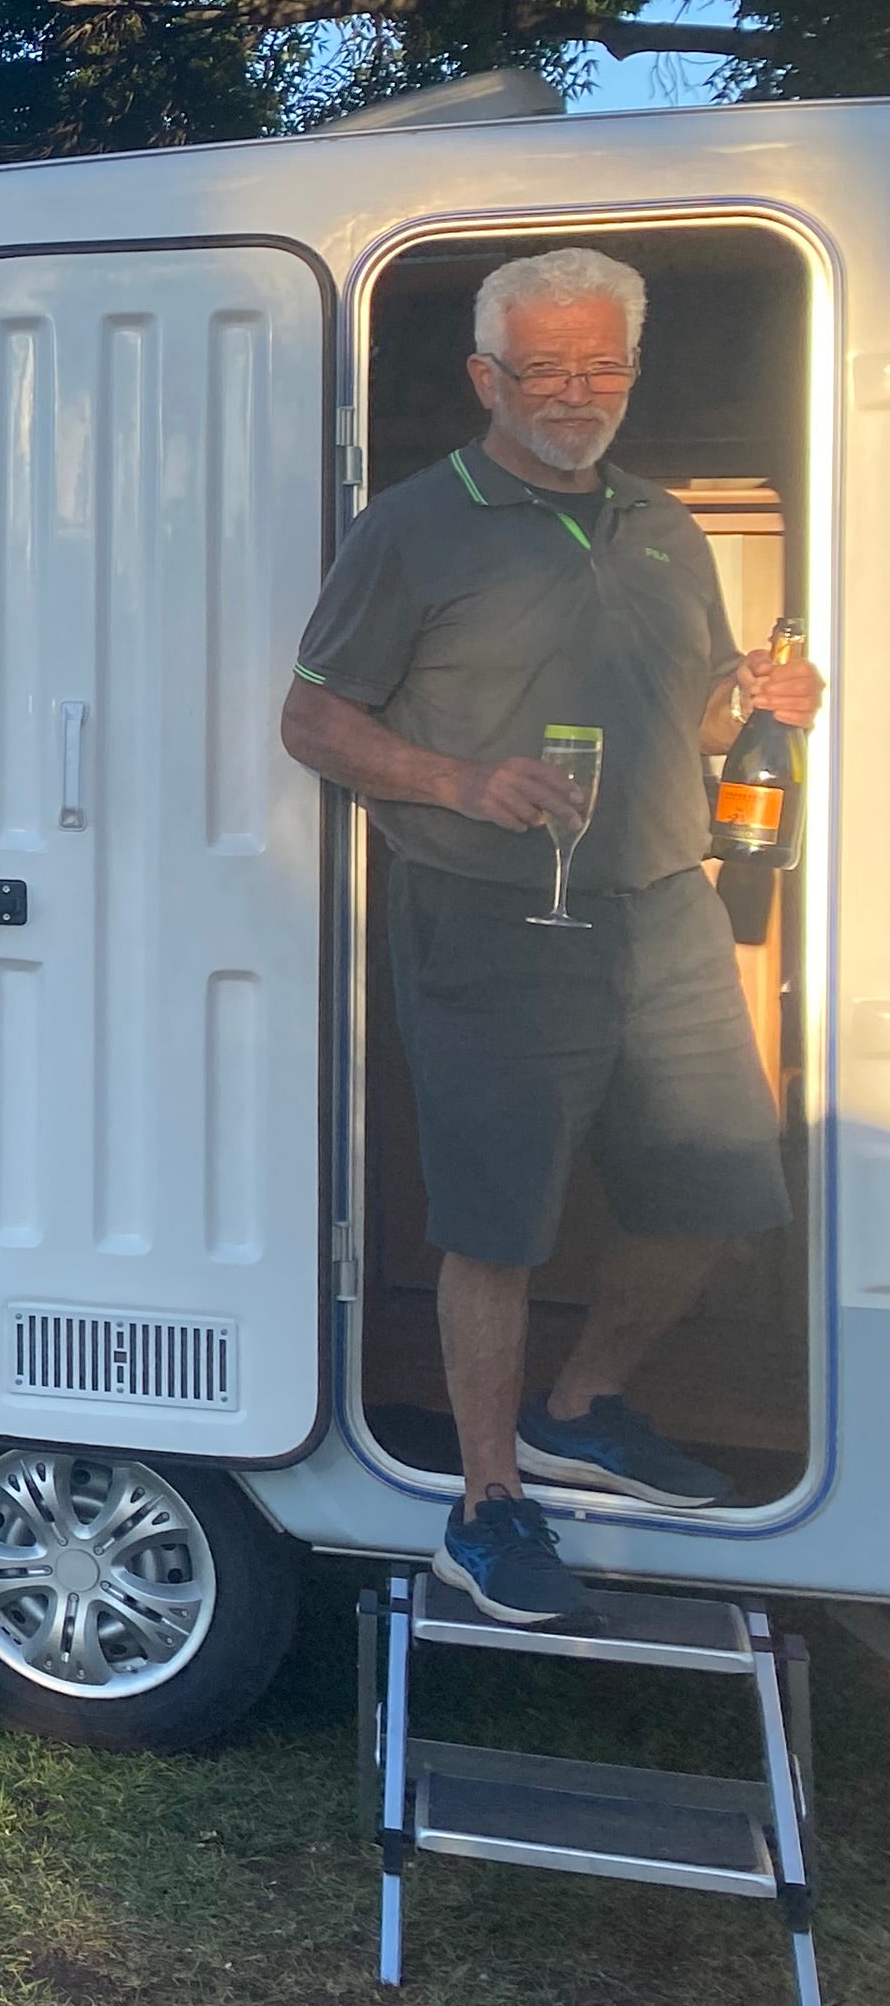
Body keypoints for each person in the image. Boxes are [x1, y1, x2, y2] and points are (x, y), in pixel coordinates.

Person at [277, 246, 818, 1626]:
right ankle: (484, 1505)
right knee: (498, 1225)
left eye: (601, 367)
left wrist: (765, 702)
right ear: (487, 379)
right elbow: (316, 720)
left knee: (724, 1191)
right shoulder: (416, 525)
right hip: (486, 916)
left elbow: (686, 722)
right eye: (545, 370)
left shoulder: (665, 526)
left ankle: (582, 1407)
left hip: (661, 904)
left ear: (630, 374)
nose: (576, 393)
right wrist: (463, 780)